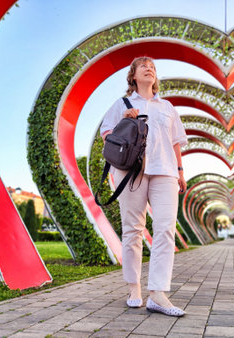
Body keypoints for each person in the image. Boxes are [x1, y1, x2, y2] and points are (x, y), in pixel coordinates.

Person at [100, 56, 187, 317]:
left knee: (165, 229)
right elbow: (107, 137)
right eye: (144, 66)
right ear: (133, 76)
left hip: (166, 172)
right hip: (130, 172)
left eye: (153, 67)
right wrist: (124, 121)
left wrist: (181, 171)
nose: (149, 69)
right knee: (133, 231)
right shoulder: (121, 104)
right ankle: (134, 288)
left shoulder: (168, 106)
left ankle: (158, 294)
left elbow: (176, 142)